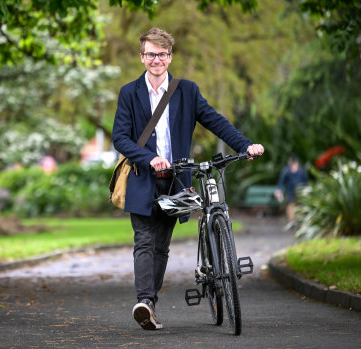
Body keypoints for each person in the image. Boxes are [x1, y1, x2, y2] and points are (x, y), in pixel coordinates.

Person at [111, 27, 264, 331]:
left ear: (170, 56)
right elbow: (120, 137)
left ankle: (149, 303)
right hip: (143, 177)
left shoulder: (187, 90)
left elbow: (214, 121)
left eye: (162, 54)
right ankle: (145, 302)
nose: (157, 59)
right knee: (144, 240)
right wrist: (149, 157)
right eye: (151, 54)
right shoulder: (129, 92)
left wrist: (244, 144)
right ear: (142, 57)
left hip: (176, 180)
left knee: (161, 246)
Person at [274, 155, 308, 222]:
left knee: (299, 206)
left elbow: (306, 182)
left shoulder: (301, 171)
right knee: (291, 205)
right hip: (290, 192)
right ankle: (291, 220)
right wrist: (279, 190)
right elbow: (281, 182)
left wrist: (306, 190)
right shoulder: (287, 171)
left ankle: (299, 220)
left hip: (300, 192)